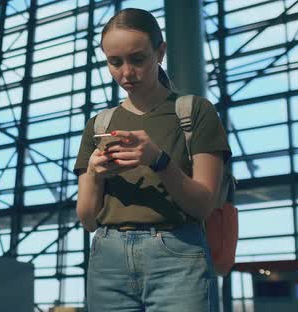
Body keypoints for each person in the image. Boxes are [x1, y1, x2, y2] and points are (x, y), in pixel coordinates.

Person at [74, 8, 231, 312]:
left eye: (138, 59)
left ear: (160, 52)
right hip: (108, 258)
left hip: (178, 254)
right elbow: (88, 219)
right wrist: (94, 173)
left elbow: (203, 206)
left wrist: (159, 160)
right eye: (114, 62)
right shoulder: (99, 125)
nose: (127, 73)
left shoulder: (194, 112)